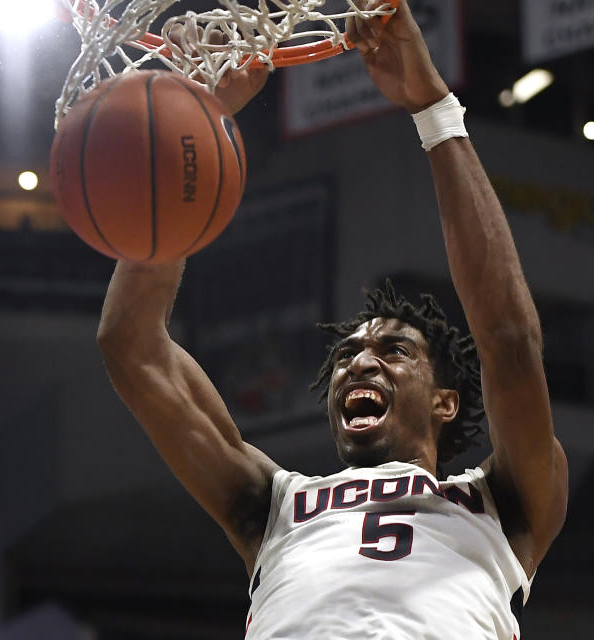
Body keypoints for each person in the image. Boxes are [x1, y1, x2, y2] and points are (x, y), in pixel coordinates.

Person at [95, 1, 568, 637]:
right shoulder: (275, 505)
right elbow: (133, 349)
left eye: (395, 352)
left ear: (446, 403)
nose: (359, 363)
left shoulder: (501, 503)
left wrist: (432, 107)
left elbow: (510, 343)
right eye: (346, 356)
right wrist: (196, 129)